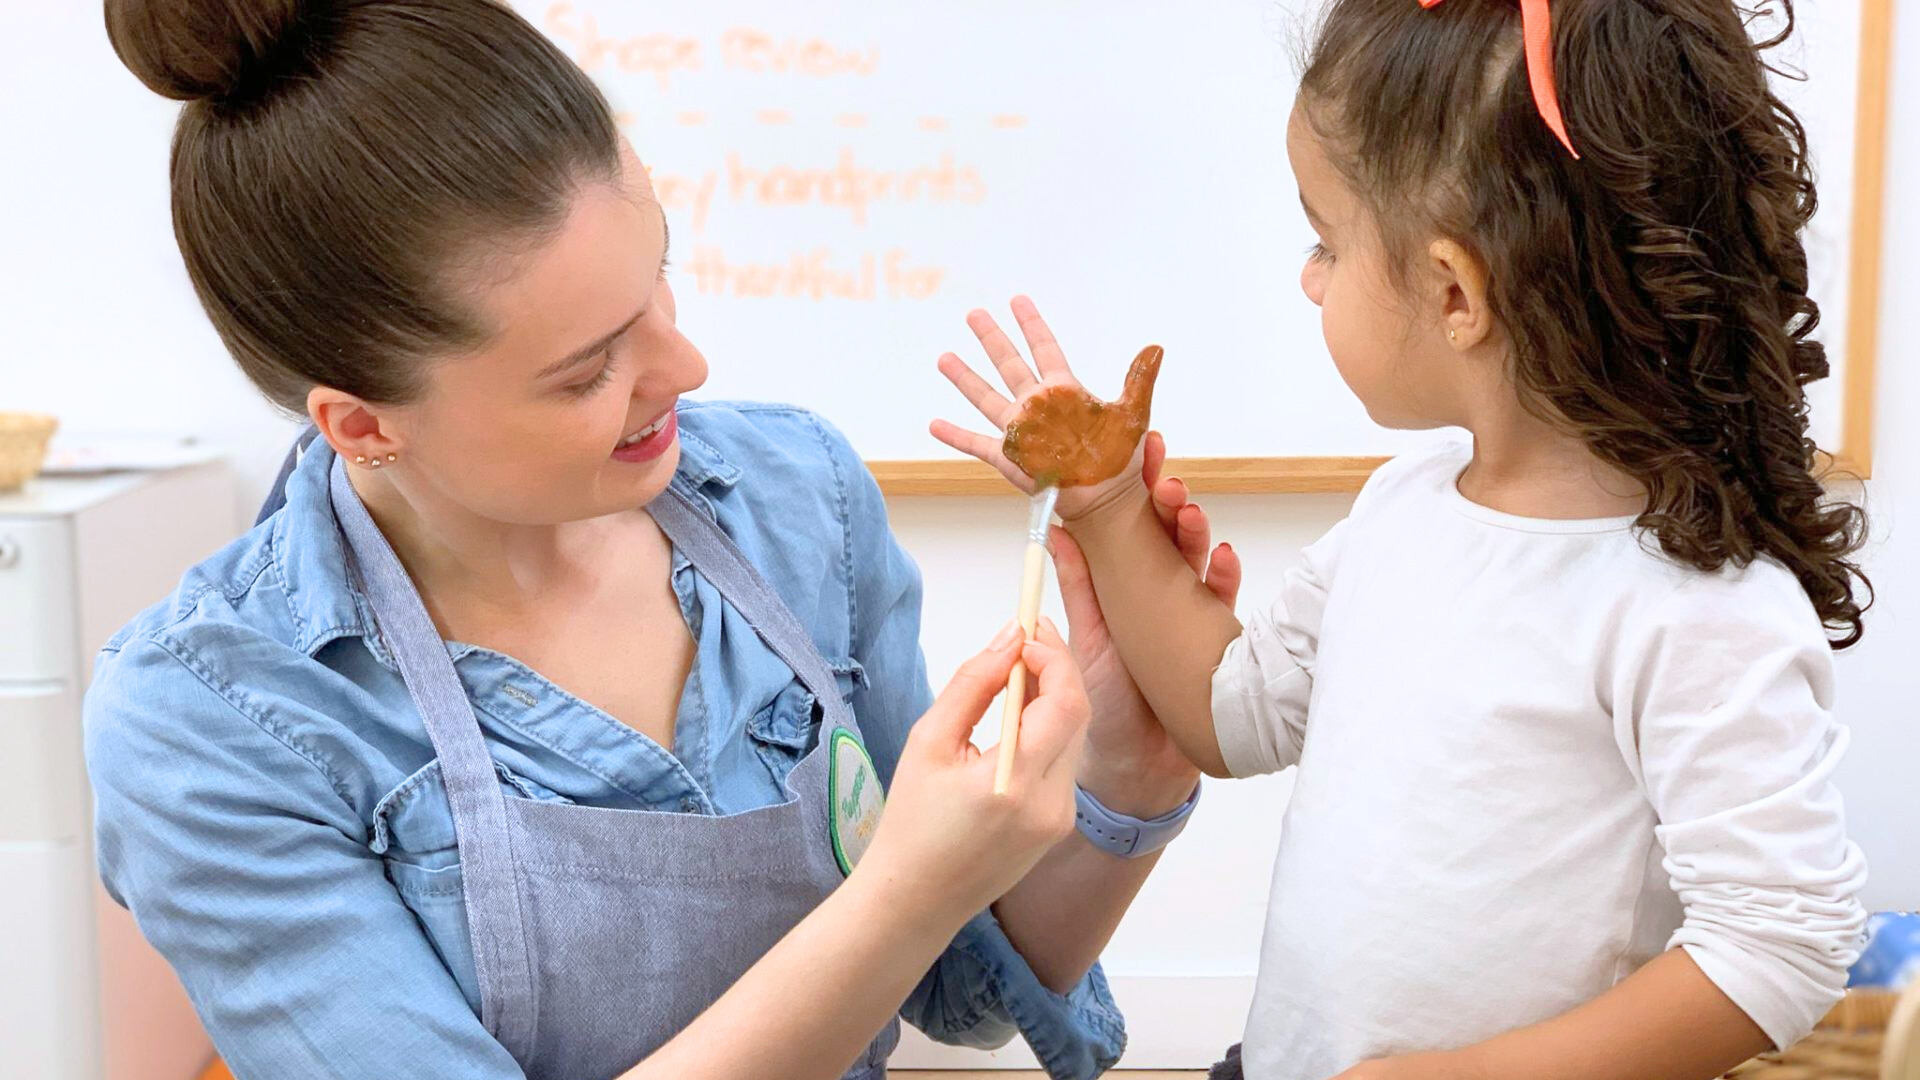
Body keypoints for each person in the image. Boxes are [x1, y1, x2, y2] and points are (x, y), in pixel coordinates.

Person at [85, 2, 1216, 1077]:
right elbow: (905, 914)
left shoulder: (795, 499)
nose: (686, 369)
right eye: (589, 370)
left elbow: (957, 982)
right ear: (364, 426)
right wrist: (905, 891)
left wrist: (1130, 769)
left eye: (660, 278)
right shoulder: (211, 720)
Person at [932, 1, 1871, 1077]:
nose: (1310, 276)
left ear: (1456, 292)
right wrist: (1107, 509)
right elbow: (1230, 713)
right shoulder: (1402, 509)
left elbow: (1778, 946)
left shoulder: (1697, 605)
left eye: (1327, 242)